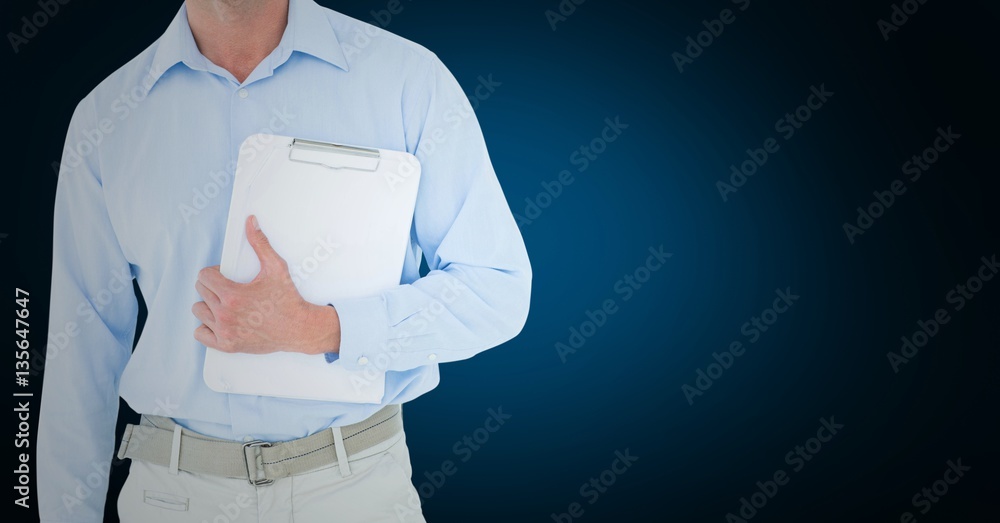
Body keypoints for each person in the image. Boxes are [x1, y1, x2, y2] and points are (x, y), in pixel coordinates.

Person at [37, 0, 531, 521]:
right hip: (174, 498)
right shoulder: (106, 118)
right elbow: (80, 355)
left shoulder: (408, 81)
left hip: (355, 493)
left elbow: (496, 287)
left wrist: (324, 328)